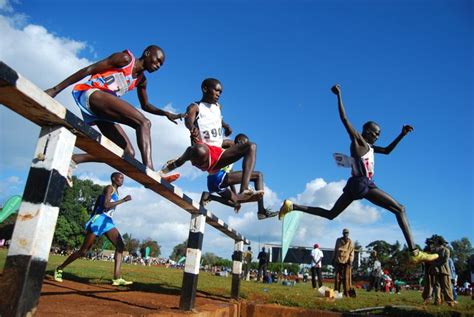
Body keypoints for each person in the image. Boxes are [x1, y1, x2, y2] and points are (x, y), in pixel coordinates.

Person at [279, 84, 438, 264]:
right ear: (368, 132)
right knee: (400, 209)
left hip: (355, 184)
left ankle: (292, 206)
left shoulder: (369, 147)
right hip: (362, 183)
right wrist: (339, 96)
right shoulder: (359, 141)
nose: (378, 137)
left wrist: (401, 135)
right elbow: (345, 119)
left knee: (331, 214)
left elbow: (386, 151)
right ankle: (414, 252)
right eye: (377, 133)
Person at [45, 45, 184, 184]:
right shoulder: (125, 59)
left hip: (102, 111)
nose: (158, 65)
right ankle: (150, 171)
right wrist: (55, 89)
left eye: (161, 64)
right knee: (144, 123)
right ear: (147, 53)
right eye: (157, 60)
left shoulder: (142, 80)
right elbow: (89, 69)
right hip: (92, 94)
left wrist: (165, 113)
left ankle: (75, 159)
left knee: (127, 153)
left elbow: (145, 105)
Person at [54, 172, 133, 286]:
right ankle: (59, 268)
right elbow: (106, 205)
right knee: (83, 251)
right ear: (113, 179)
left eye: (123, 178)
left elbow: (98, 203)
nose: (122, 180)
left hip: (107, 221)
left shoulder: (115, 191)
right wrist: (123, 200)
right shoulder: (109, 188)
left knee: (120, 246)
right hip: (100, 220)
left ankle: (116, 278)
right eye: (120, 177)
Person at [199, 133, 277, 219]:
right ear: (239, 141)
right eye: (245, 143)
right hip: (217, 177)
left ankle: (209, 196)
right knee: (258, 175)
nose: (245, 146)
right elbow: (217, 144)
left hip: (217, 181)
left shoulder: (232, 157)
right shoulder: (230, 144)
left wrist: (235, 196)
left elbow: (230, 175)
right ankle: (261, 211)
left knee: (235, 202)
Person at [184, 78, 232, 146]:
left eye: (220, 92)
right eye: (216, 90)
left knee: (243, 145)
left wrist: (225, 126)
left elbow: (217, 118)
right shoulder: (195, 107)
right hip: (203, 145)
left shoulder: (218, 106)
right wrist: (192, 128)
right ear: (205, 89)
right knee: (201, 150)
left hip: (218, 144)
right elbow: (188, 121)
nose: (218, 94)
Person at [432, 235, 456, 307]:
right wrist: (438, 266)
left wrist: (436, 266)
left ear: (438, 242)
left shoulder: (434, 250)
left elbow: (432, 261)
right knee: (447, 286)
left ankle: (437, 301)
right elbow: (445, 260)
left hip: (436, 270)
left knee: (437, 286)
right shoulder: (446, 250)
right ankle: (450, 302)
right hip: (444, 270)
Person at [333, 228, 354, 297]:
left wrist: (350, 260)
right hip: (338, 260)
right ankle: (336, 291)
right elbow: (335, 249)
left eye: (347, 233)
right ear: (343, 233)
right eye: (345, 233)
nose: (346, 234)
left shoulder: (350, 241)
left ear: (348, 234)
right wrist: (333, 258)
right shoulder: (338, 240)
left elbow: (351, 251)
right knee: (337, 277)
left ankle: (346, 292)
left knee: (346, 278)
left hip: (346, 261)